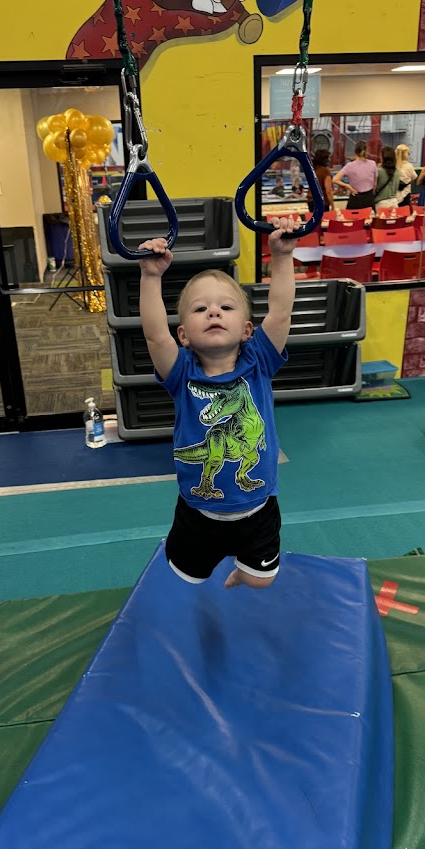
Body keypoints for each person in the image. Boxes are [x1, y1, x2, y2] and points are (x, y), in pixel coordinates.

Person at [137, 217, 298, 590]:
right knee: (187, 577)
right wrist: (150, 276)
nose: (213, 312)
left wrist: (282, 257)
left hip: (258, 508)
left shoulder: (258, 361)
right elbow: (154, 335)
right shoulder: (181, 371)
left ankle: (244, 568)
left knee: (261, 581)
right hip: (198, 513)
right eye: (200, 310)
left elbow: (280, 313)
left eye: (226, 307)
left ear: (246, 330)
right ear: (184, 335)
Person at [334, 140, 377, 212]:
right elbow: (375, 184)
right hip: (369, 199)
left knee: (352, 218)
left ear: (355, 151)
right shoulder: (373, 164)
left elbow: (335, 179)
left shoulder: (349, 166)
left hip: (355, 198)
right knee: (370, 218)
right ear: (366, 151)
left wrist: (348, 186)